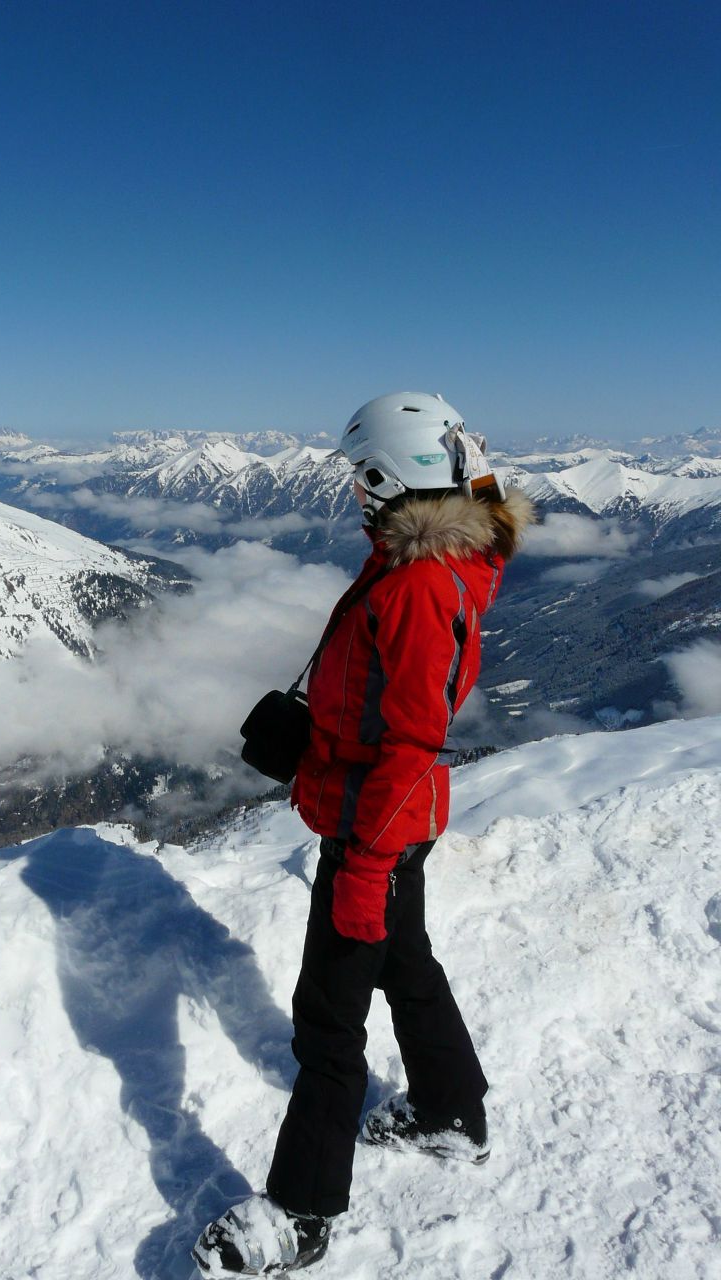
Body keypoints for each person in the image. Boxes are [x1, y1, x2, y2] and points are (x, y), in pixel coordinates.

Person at [193, 392, 535, 1276]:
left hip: (373, 827)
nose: (352, 492)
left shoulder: (420, 583)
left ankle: (300, 1215)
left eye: (362, 476)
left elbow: (415, 741)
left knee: (327, 1023)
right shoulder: (412, 563)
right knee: (405, 962)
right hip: (383, 816)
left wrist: (366, 862)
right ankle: (452, 1113)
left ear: (397, 474)